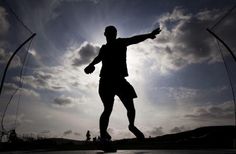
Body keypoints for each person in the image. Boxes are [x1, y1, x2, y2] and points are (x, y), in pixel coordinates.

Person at [84, 25, 161, 141]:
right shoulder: (104, 48)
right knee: (108, 109)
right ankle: (104, 134)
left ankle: (131, 125)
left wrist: (149, 35)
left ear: (115, 34)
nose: (110, 35)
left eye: (112, 33)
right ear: (105, 34)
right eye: (109, 33)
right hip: (106, 81)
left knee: (130, 108)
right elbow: (98, 58)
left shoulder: (120, 42)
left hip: (119, 80)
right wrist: (91, 65)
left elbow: (134, 39)